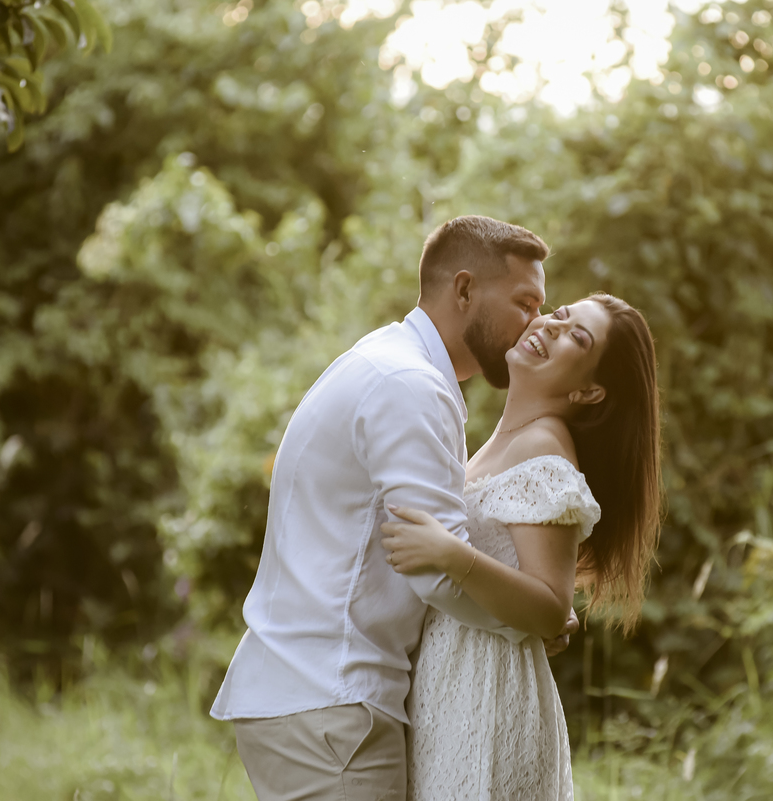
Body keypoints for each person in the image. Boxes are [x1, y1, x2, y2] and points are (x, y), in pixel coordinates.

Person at [209, 216, 578, 800]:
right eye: (524, 303)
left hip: (319, 697)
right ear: (463, 291)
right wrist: (532, 619)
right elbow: (435, 570)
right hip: (332, 703)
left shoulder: (396, 364)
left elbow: (438, 551)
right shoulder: (411, 386)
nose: (535, 323)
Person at [380, 292, 662, 800]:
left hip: (488, 695)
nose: (552, 327)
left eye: (577, 336)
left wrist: (450, 555)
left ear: (590, 391)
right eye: (560, 314)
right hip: (452, 686)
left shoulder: (542, 449)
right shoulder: (503, 442)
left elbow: (552, 609)